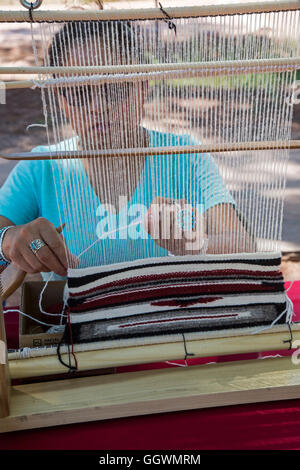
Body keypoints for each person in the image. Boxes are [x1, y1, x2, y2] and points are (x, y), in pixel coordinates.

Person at [0, 21, 253, 280]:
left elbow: (245, 248)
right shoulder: (40, 168)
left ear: (142, 86)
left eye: (114, 87)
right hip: (71, 319)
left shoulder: (185, 157)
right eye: (78, 92)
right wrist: (8, 242)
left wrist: (196, 245)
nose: (98, 105)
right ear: (60, 100)